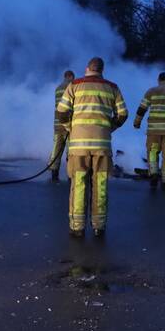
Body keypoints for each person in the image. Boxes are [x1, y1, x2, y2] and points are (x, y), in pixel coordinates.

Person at [56, 57, 127, 238]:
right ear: (102, 70)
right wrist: (110, 127)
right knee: (100, 184)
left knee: (78, 184)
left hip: (78, 146)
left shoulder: (75, 85)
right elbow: (123, 113)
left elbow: (62, 111)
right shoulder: (112, 87)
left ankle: (77, 227)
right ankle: (99, 226)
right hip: (102, 145)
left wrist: (69, 128)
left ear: (87, 68)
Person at [49, 70, 75, 182]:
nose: (74, 79)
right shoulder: (72, 87)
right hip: (69, 124)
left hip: (57, 124)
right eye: (73, 77)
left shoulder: (58, 88)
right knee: (71, 150)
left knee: (56, 149)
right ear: (70, 76)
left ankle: (54, 174)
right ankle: (70, 176)